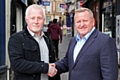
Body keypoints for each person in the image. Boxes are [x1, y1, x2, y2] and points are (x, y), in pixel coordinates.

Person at [51, 8, 118, 80]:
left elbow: (110, 76)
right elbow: (68, 61)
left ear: (93, 22)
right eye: (78, 21)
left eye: (85, 21)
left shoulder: (105, 41)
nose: (82, 24)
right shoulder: (73, 41)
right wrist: (53, 66)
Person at [8, 4, 60, 80]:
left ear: (44, 20)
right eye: (33, 18)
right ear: (27, 20)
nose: (36, 21)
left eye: (39, 18)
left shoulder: (47, 38)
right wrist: (45, 67)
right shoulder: (16, 39)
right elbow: (17, 64)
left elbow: (52, 64)